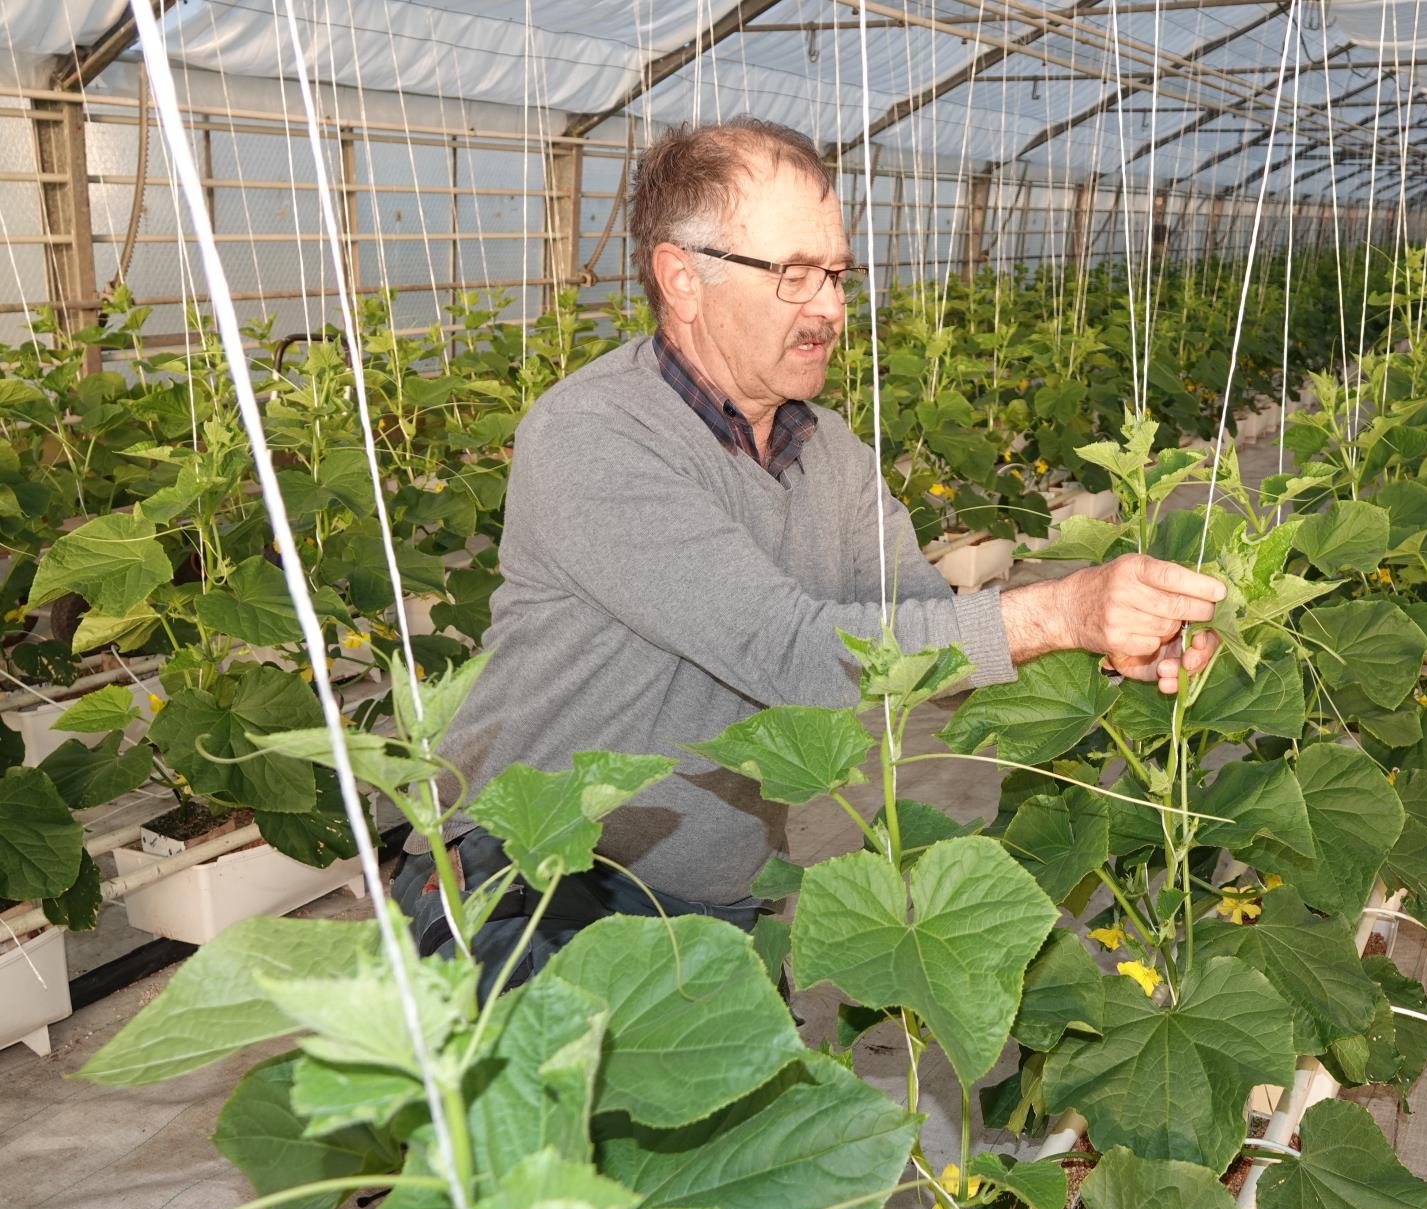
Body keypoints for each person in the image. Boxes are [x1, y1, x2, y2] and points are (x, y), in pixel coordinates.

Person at [392, 118, 1224, 989]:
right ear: (682, 278)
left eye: (835, 273)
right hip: (527, 881)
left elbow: (922, 631)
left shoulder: (827, 454)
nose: (829, 306)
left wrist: (1116, 632)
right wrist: (1063, 607)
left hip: (714, 899)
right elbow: (790, 653)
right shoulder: (591, 436)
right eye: (793, 274)